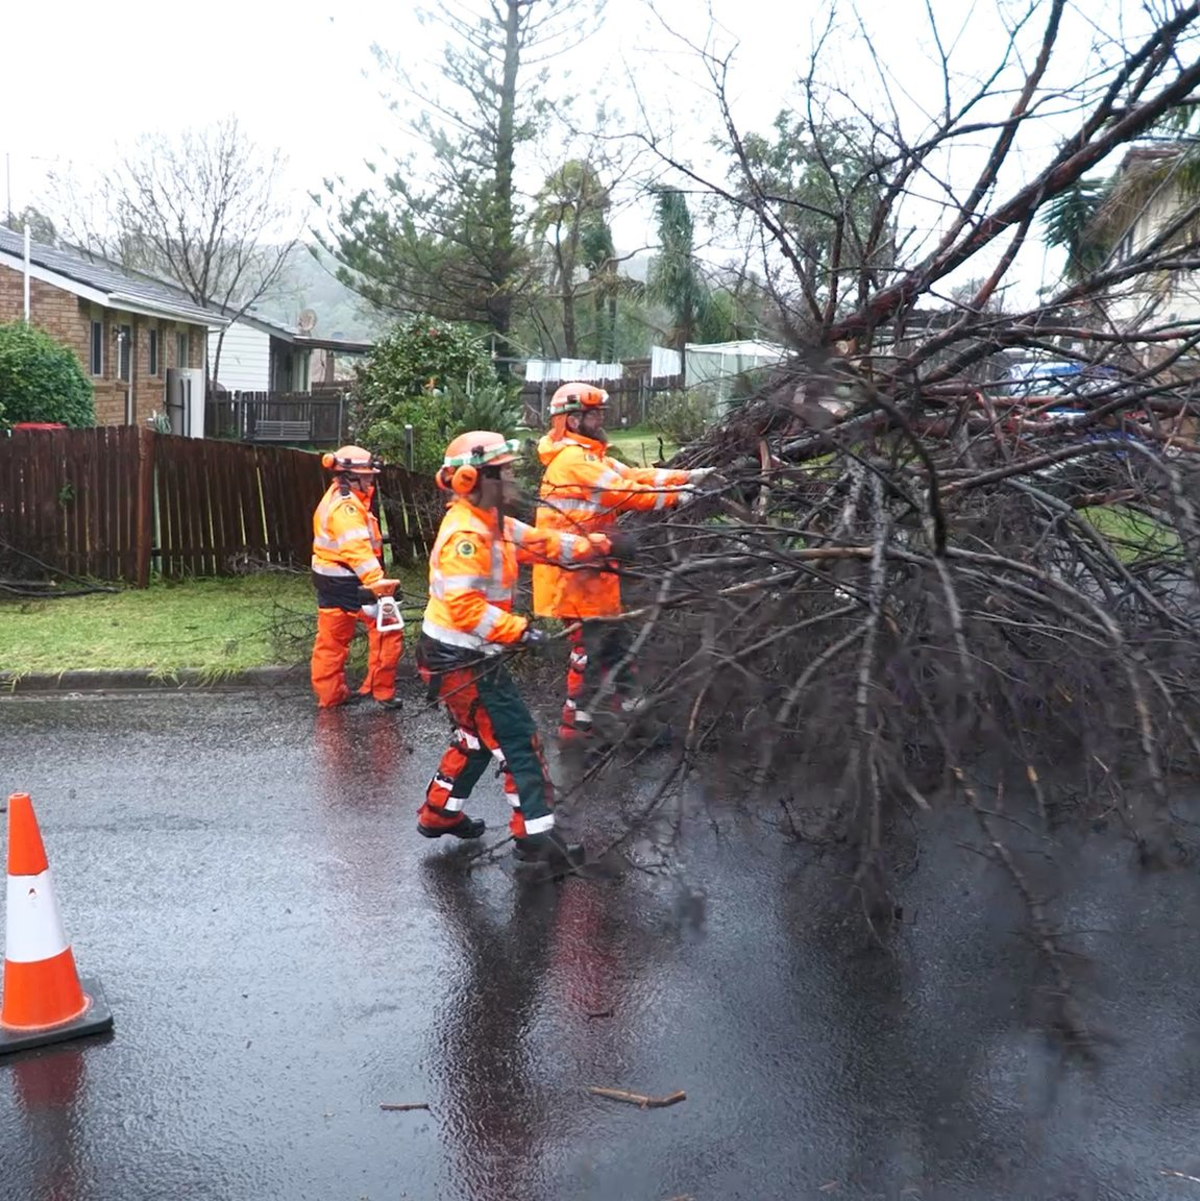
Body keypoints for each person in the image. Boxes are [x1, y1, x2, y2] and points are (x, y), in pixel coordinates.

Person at [416, 430, 615, 862]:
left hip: (459, 656)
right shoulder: (466, 535)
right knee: (519, 742)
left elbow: (546, 543)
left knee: (475, 736)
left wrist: (602, 547)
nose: (513, 480)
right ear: (473, 479)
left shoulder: (495, 523)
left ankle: (439, 812)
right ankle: (536, 839)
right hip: (463, 659)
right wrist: (520, 631)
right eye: (505, 473)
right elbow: (466, 607)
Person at [531, 382, 715, 743]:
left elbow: (634, 476)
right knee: (590, 648)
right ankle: (575, 727)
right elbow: (623, 493)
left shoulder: (591, 456)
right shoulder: (573, 461)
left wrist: (688, 477)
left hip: (591, 570)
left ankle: (630, 716)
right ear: (571, 420)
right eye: (593, 413)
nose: (600, 419)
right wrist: (681, 497)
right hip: (573, 575)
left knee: (617, 643)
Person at [310, 444, 404, 709]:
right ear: (352, 476)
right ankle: (381, 691)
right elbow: (357, 549)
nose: (371, 480)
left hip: (331, 580)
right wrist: (378, 584)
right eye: (367, 476)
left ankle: (330, 696)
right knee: (388, 630)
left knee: (331, 641)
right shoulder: (347, 507)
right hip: (353, 582)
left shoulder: (337, 498)